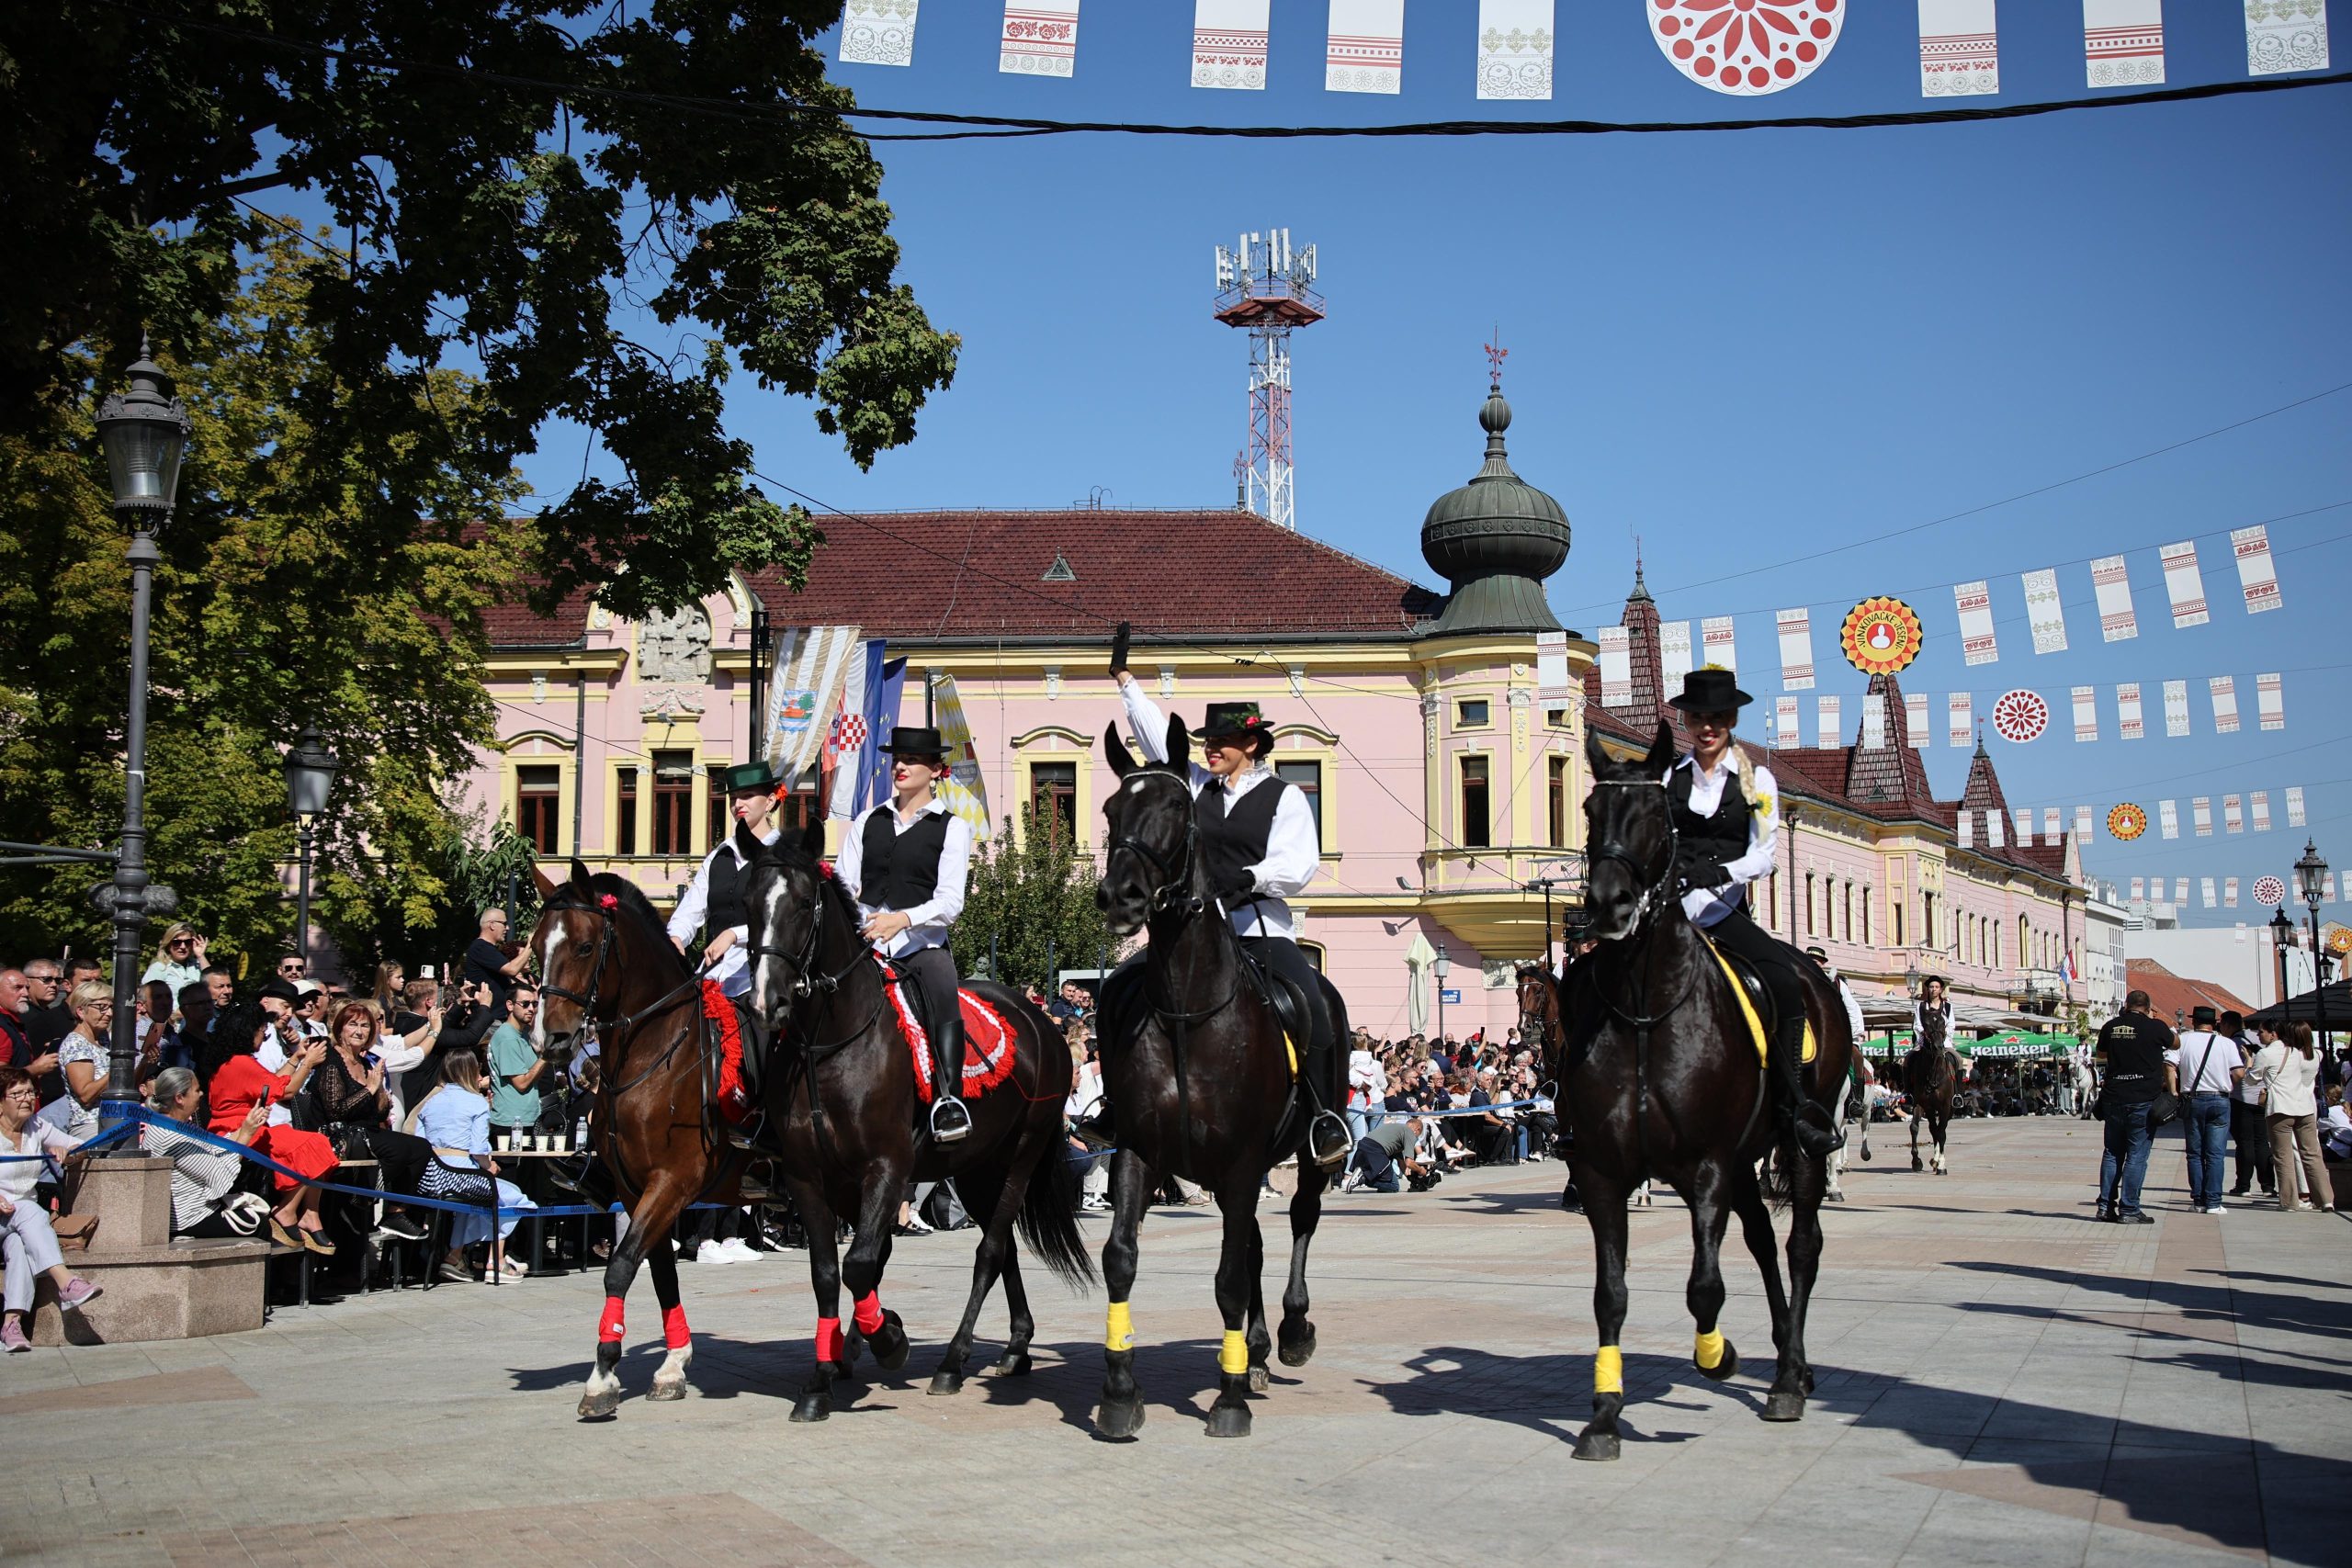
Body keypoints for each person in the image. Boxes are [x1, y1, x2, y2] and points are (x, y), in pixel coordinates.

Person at [1106, 629, 1351, 1168]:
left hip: (1259, 930)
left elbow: (1299, 864)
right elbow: (1156, 738)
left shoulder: (1285, 796)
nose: (1210, 749)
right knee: (1120, 990)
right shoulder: (1195, 787)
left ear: (1252, 744)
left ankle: (1323, 1117)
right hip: (1194, 934)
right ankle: (1115, 1105)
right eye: (1207, 742)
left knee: (1313, 1007)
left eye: (1221, 741)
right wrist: (1125, 680)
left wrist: (1251, 877)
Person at [1657, 667, 1838, 1156]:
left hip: (1723, 911)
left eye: (1717, 718)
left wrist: (1719, 873)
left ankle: (1795, 1109)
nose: (1707, 727)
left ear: (1731, 720)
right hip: (1671, 912)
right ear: (1686, 720)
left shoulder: (1757, 780)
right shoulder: (1669, 777)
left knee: (1783, 981)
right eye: (1698, 717)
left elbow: (1764, 856)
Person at [833, 729, 978, 1145]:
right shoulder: (868, 821)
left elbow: (950, 902)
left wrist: (903, 919)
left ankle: (949, 1100)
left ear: (935, 770)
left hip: (920, 946)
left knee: (942, 989)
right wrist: (860, 922)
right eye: (897, 758)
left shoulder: (952, 828)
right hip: (864, 945)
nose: (900, 766)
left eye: (911, 759)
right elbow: (842, 885)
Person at [665, 759, 786, 1129]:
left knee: (763, 1033)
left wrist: (736, 934)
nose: (738, 804)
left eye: (748, 796)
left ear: (771, 800)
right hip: (711, 978)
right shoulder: (718, 856)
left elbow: (781, 920)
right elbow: (691, 909)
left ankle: (767, 1119)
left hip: (760, 976)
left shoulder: (782, 855)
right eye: (735, 798)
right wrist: (675, 937)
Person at [199, 1000, 339, 1255]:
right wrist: (308, 1063)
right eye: (262, 1031)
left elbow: (272, 1082)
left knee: (316, 1142)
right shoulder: (240, 1063)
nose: (264, 1036)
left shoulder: (235, 1061)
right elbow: (286, 1091)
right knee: (312, 1144)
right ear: (248, 1031)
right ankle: (287, 1210)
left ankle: (309, 1214)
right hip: (240, 1133)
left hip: (250, 1128)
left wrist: (296, 1057)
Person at [411, 1048, 537, 1281]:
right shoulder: (476, 1102)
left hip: (431, 1176)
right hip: (461, 1174)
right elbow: (478, 1149)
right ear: (470, 1070)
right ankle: (496, 1261)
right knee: (513, 1196)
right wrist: (489, 1166)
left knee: (478, 1199)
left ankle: (455, 1256)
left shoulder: (430, 1102)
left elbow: (419, 1144)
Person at [0, 1065, 102, 1351]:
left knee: (19, 1244)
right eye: (17, 1094)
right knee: (31, 1211)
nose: (27, 1098)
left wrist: (68, 1154)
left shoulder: (36, 1126)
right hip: (9, 1214)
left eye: (30, 1092)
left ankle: (11, 1325)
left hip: (20, 1221)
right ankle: (66, 1282)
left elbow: (80, 1146)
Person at [141, 1067, 274, 1239]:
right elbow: (218, 1172)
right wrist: (247, 1133)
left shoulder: (169, 1123)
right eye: (197, 1090)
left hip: (193, 1211)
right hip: (189, 1218)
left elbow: (213, 1148)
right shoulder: (172, 1136)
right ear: (179, 1098)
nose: (201, 1094)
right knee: (261, 1226)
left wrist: (247, 1125)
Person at [2093, 990, 2176, 1224]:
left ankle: (2105, 1207)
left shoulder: (2111, 1026)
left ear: (2126, 1004)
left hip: (2114, 1098)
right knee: (2136, 1155)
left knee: (2112, 1153)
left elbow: (2101, 1053)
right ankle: (2129, 1209)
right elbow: (2176, 1043)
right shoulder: (2156, 1027)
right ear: (2148, 1007)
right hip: (2142, 1100)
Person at [2250, 1021, 2334, 1213]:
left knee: (2284, 1156)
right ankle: (2325, 1199)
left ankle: (2289, 1202)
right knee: (2312, 1154)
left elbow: (2253, 1078)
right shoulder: (2314, 1055)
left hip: (2281, 1107)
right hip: (2305, 1107)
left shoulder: (2276, 1054)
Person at [2167, 1004, 2244, 1214]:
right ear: (2215, 1023)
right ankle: (2214, 1202)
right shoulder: (2227, 1043)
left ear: (2193, 1021)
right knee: (2215, 1154)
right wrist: (2226, 1083)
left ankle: (2199, 1201)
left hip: (2192, 1099)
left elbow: (2169, 1065)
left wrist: (2174, 1091)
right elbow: (2238, 1074)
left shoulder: (2183, 1040)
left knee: (2194, 1153)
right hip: (2220, 1099)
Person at [2221, 1010, 2275, 1201]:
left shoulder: (2232, 1044)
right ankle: (2268, 1186)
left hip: (2241, 1098)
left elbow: (2230, 1071)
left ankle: (2243, 1185)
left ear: (2227, 1025)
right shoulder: (2259, 1038)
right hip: (2262, 1097)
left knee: (2245, 1143)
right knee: (2262, 1142)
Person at [51, 981, 117, 1136]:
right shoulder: (76, 1043)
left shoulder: (104, 1041)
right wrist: (119, 1068)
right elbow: (86, 1095)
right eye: (102, 1007)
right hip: (90, 1126)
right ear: (81, 1011)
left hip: (114, 1120)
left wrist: (144, 1062)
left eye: (111, 1007)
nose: (109, 1013)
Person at [484, 982, 546, 1145]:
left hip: (527, 1118)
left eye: (534, 1004)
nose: (531, 1009)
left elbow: (534, 1076)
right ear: (510, 1005)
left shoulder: (522, 1034)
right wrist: (546, 1056)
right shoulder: (508, 1038)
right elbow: (521, 1083)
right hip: (511, 1123)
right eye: (525, 1004)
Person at [463, 908, 530, 1015]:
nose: (507, 928)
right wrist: (530, 945)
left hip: (497, 1016)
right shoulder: (481, 947)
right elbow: (512, 970)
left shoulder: (488, 949)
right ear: (492, 925)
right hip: (491, 1018)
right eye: (504, 924)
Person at [140, 922, 207, 995]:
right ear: (168, 945)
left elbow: (212, 982)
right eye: (177, 942)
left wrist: (201, 956)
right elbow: (147, 997)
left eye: (188, 942)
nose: (183, 947)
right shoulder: (159, 968)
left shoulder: (198, 964)